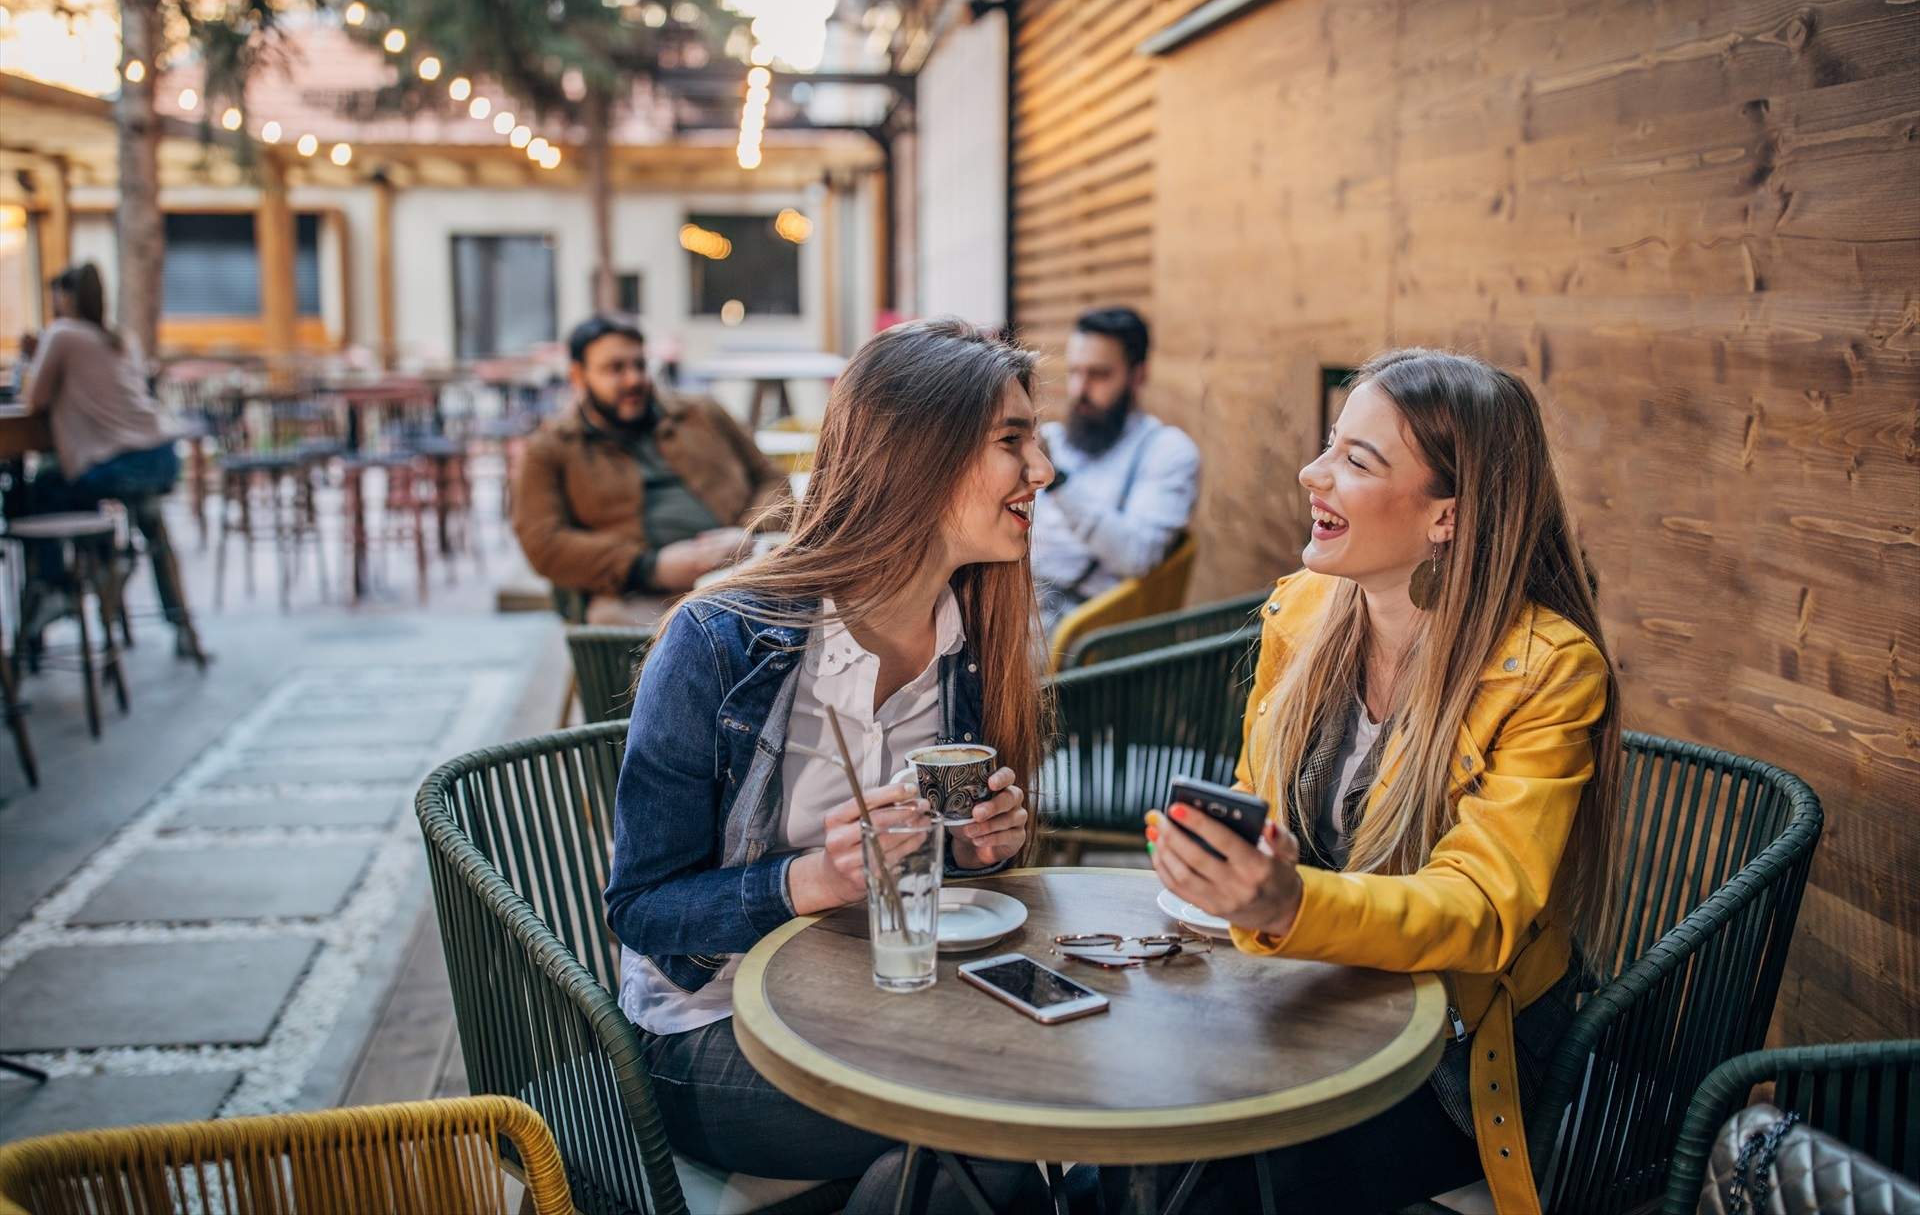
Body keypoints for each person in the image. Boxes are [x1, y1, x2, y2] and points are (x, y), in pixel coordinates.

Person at [1116, 349, 1619, 1215]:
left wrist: (1286, 906)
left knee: (1223, 1167)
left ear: (1447, 518)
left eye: (1357, 460)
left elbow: (1480, 911)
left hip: (1457, 1057)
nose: (1314, 474)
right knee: (1135, 1101)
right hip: (1303, 995)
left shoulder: (1548, 670)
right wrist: (1232, 870)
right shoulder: (1303, 608)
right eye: (1330, 445)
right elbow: (1262, 805)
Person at [603, 318, 1064, 1213]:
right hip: (714, 1034)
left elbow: (948, 866)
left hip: (887, 1004)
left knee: (972, 1155)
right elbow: (640, 909)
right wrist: (811, 877)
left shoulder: (970, 642)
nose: (1041, 470)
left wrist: (979, 848)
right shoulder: (721, 641)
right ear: (918, 455)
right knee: (997, 1126)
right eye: (1014, 442)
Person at [511, 314, 791, 626]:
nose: (634, 379)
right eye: (615, 369)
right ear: (578, 376)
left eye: (639, 365)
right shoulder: (552, 448)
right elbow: (543, 541)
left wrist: (747, 535)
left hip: (742, 568)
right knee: (621, 623)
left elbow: (771, 476)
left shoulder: (703, 413)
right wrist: (650, 568)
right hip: (637, 591)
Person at [21, 263, 205, 664]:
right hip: (159, 456)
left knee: (35, 492)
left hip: (117, 465)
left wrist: (32, 360)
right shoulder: (120, 337)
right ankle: (114, 565)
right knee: (143, 522)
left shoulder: (63, 335)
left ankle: (59, 588)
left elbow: (34, 399)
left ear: (65, 298)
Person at [1031, 306, 1200, 634]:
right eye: (1075, 372)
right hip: (1022, 600)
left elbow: (1138, 556)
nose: (1080, 390)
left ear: (1138, 375)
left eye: (1099, 374)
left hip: (1089, 630)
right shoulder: (1054, 440)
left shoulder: (1167, 452)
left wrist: (1059, 482)